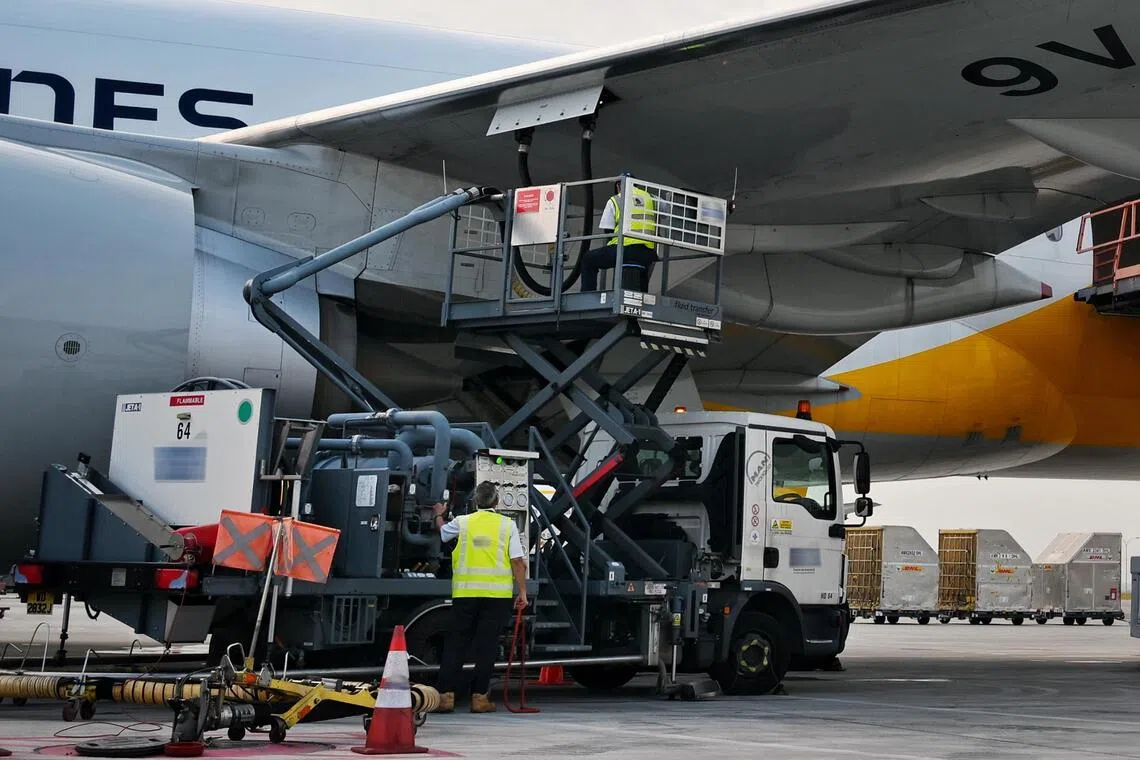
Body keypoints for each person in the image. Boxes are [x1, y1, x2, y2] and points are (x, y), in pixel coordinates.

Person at [432, 481, 528, 713]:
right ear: (496, 501)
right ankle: (479, 698)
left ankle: (445, 696)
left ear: (476, 501)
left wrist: (439, 515)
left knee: (456, 644)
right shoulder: (507, 525)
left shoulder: (463, 522)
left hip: (465, 594)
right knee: (486, 646)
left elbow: (443, 533)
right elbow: (517, 561)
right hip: (496, 597)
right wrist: (522, 592)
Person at [580, 171, 658, 291]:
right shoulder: (650, 198)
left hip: (624, 250)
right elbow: (667, 207)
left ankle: (587, 296)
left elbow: (608, 230)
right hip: (647, 254)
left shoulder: (615, 200)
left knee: (587, 259)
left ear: (618, 186)